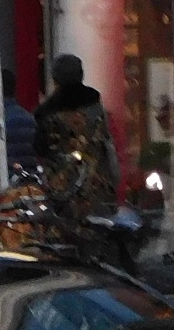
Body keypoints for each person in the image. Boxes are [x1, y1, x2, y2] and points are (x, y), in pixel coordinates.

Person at [32, 56, 119, 213]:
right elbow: (107, 142)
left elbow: (39, 148)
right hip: (98, 187)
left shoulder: (47, 113)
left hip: (63, 191)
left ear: (55, 79)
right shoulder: (97, 108)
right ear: (81, 75)